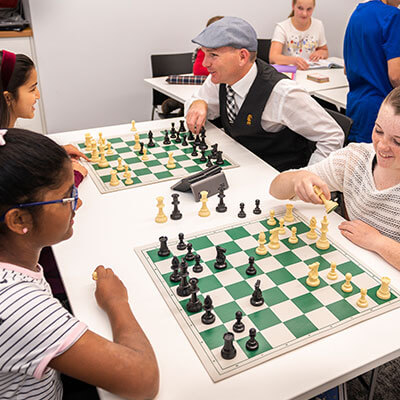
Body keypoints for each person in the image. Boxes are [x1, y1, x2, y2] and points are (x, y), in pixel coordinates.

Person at [0, 128, 159, 399]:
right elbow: (143, 381)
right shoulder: (16, 305)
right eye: (67, 198)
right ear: (19, 221)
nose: (79, 202)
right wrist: (116, 302)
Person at [185, 16, 344, 172]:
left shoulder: (282, 93)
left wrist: (307, 179)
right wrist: (198, 102)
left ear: (242, 56)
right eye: (204, 54)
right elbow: (195, 106)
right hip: (242, 168)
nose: (205, 63)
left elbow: (332, 136)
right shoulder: (220, 79)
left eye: (213, 55)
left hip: (277, 180)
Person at [269, 86, 400, 270]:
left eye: (397, 141)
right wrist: (297, 179)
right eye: (378, 131)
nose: (382, 146)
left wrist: (377, 242)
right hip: (353, 265)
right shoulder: (355, 158)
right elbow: (275, 189)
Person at [0, 49, 89, 303]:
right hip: (37, 270)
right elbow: (38, 194)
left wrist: (56, 153)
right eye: (32, 88)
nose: (37, 95)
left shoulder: (7, 138)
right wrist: (75, 177)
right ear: (8, 97)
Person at [343, 0, 400, 143]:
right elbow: (396, 76)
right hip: (381, 110)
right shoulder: (392, 16)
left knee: (359, 161)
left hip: (355, 107)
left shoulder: (357, 13)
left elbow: (346, 68)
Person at [269, 0, 328, 70]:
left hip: (311, 71)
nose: (304, 14)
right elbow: (273, 57)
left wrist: (321, 53)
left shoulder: (318, 25)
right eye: (300, 8)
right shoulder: (282, 27)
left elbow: (325, 51)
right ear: (293, 6)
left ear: (313, 8)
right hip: (290, 72)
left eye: (309, 9)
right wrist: (294, 61)